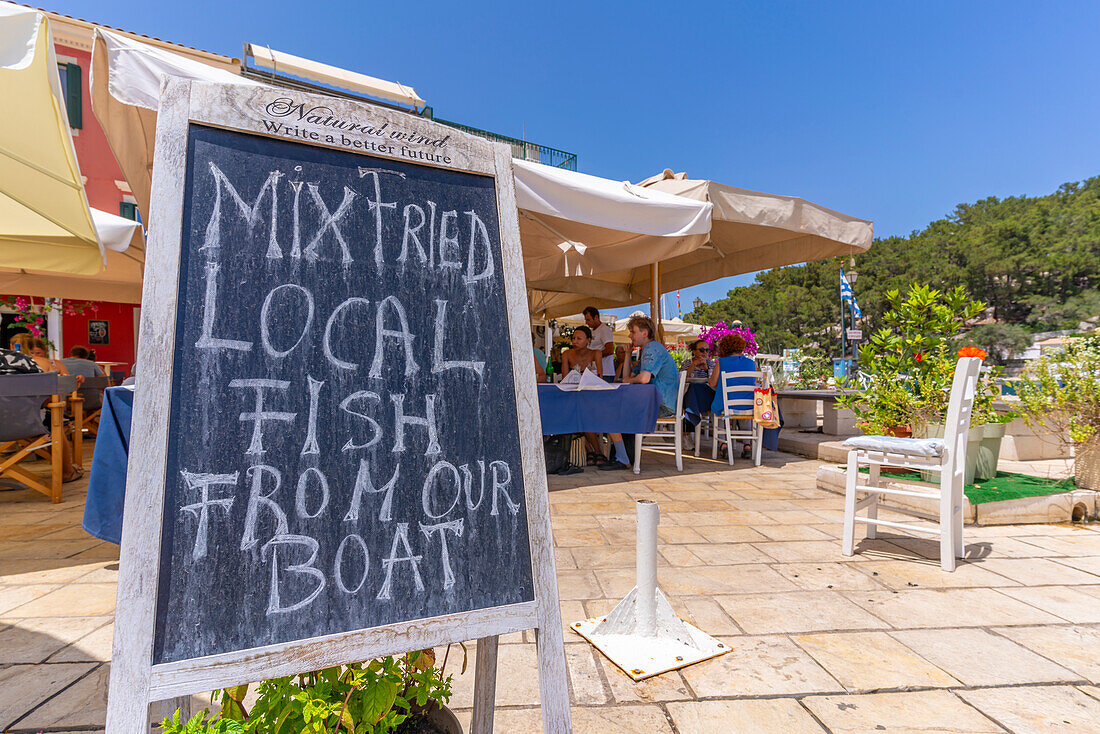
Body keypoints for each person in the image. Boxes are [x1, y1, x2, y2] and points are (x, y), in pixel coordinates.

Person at [601, 315, 679, 471]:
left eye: (632, 332)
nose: (630, 335)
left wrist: (629, 380)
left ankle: (623, 458)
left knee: (608, 411)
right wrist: (629, 354)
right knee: (612, 409)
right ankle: (623, 457)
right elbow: (626, 377)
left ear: (644, 333)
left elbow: (643, 379)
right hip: (656, 402)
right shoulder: (647, 350)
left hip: (662, 405)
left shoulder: (652, 348)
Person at [709, 333, 756, 459]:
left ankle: (723, 444)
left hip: (727, 405)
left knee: (715, 411)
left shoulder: (721, 362)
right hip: (748, 406)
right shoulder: (751, 363)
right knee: (744, 410)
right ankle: (747, 445)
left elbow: (712, 383)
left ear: (724, 348)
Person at [582, 306, 615, 382]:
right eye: (586, 320)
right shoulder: (592, 331)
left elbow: (610, 350)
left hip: (605, 373)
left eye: (588, 320)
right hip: (594, 372)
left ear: (596, 317)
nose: (586, 322)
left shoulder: (604, 329)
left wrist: (593, 356)